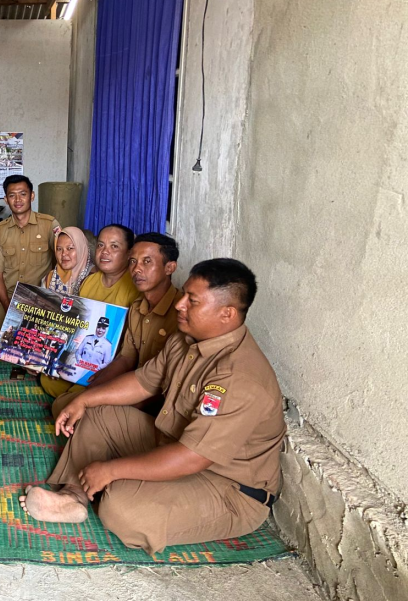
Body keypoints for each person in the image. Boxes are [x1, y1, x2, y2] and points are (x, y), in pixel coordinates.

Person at [19, 259, 285, 555]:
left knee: (120, 505)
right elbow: (142, 382)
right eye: (183, 295)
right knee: (97, 412)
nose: (180, 304)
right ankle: (74, 496)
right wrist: (84, 400)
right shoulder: (185, 340)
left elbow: (192, 459)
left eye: (192, 300)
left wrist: (111, 470)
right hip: (173, 442)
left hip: (228, 487)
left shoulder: (239, 378)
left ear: (227, 313)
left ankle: (106, 488)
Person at [49, 232, 183, 410]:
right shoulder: (137, 308)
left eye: (147, 261)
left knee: (78, 411)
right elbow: (126, 359)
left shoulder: (181, 313)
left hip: (156, 401)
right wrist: (93, 388)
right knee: (65, 403)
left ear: (169, 268)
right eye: (133, 261)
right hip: (129, 386)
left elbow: (169, 382)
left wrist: (99, 400)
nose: (137, 269)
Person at [0, 175, 61, 352]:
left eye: (23, 194)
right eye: (12, 195)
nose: (18, 200)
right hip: (11, 297)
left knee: (40, 345)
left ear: (32, 196)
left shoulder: (49, 224)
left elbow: (63, 264)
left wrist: (53, 300)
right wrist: (8, 307)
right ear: (6, 199)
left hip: (41, 298)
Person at [79, 224, 140, 307]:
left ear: (129, 253)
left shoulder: (137, 287)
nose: (104, 251)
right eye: (100, 245)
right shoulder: (88, 282)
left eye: (114, 246)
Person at [40, 227, 95, 296]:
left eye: (70, 248)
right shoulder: (50, 278)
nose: (63, 254)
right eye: (59, 249)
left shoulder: (95, 279)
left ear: (81, 249)